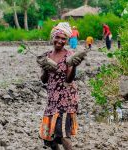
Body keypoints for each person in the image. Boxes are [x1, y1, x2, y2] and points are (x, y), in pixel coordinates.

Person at [39, 22, 81, 150]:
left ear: (67, 40)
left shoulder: (69, 55)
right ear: (53, 37)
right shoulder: (47, 56)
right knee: (49, 138)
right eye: (57, 37)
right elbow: (44, 80)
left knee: (63, 134)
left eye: (63, 39)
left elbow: (69, 79)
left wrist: (74, 67)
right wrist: (46, 68)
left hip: (66, 99)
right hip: (52, 100)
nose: (60, 41)